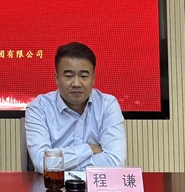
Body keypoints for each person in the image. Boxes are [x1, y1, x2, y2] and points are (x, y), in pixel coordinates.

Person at [25, 42, 126, 173]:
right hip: (53, 185)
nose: (76, 83)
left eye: (83, 76)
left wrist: (60, 166)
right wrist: (89, 149)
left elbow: (115, 161)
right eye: (69, 76)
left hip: (96, 185)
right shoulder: (38, 109)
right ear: (57, 78)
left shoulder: (107, 105)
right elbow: (41, 163)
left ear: (93, 79)